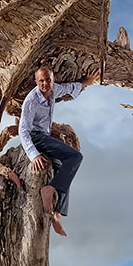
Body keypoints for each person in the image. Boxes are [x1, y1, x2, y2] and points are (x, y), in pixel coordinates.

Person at [19, 65, 99, 237]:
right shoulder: (31, 100)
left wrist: (87, 82)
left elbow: (71, 87)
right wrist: (34, 155)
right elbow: (23, 130)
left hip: (46, 136)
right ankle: (49, 189)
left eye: (48, 79)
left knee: (64, 167)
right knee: (75, 157)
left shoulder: (54, 89)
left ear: (53, 79)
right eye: (41, 81)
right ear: (36, 81)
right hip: (36, 137)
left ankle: (56, 213)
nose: (45, 84)